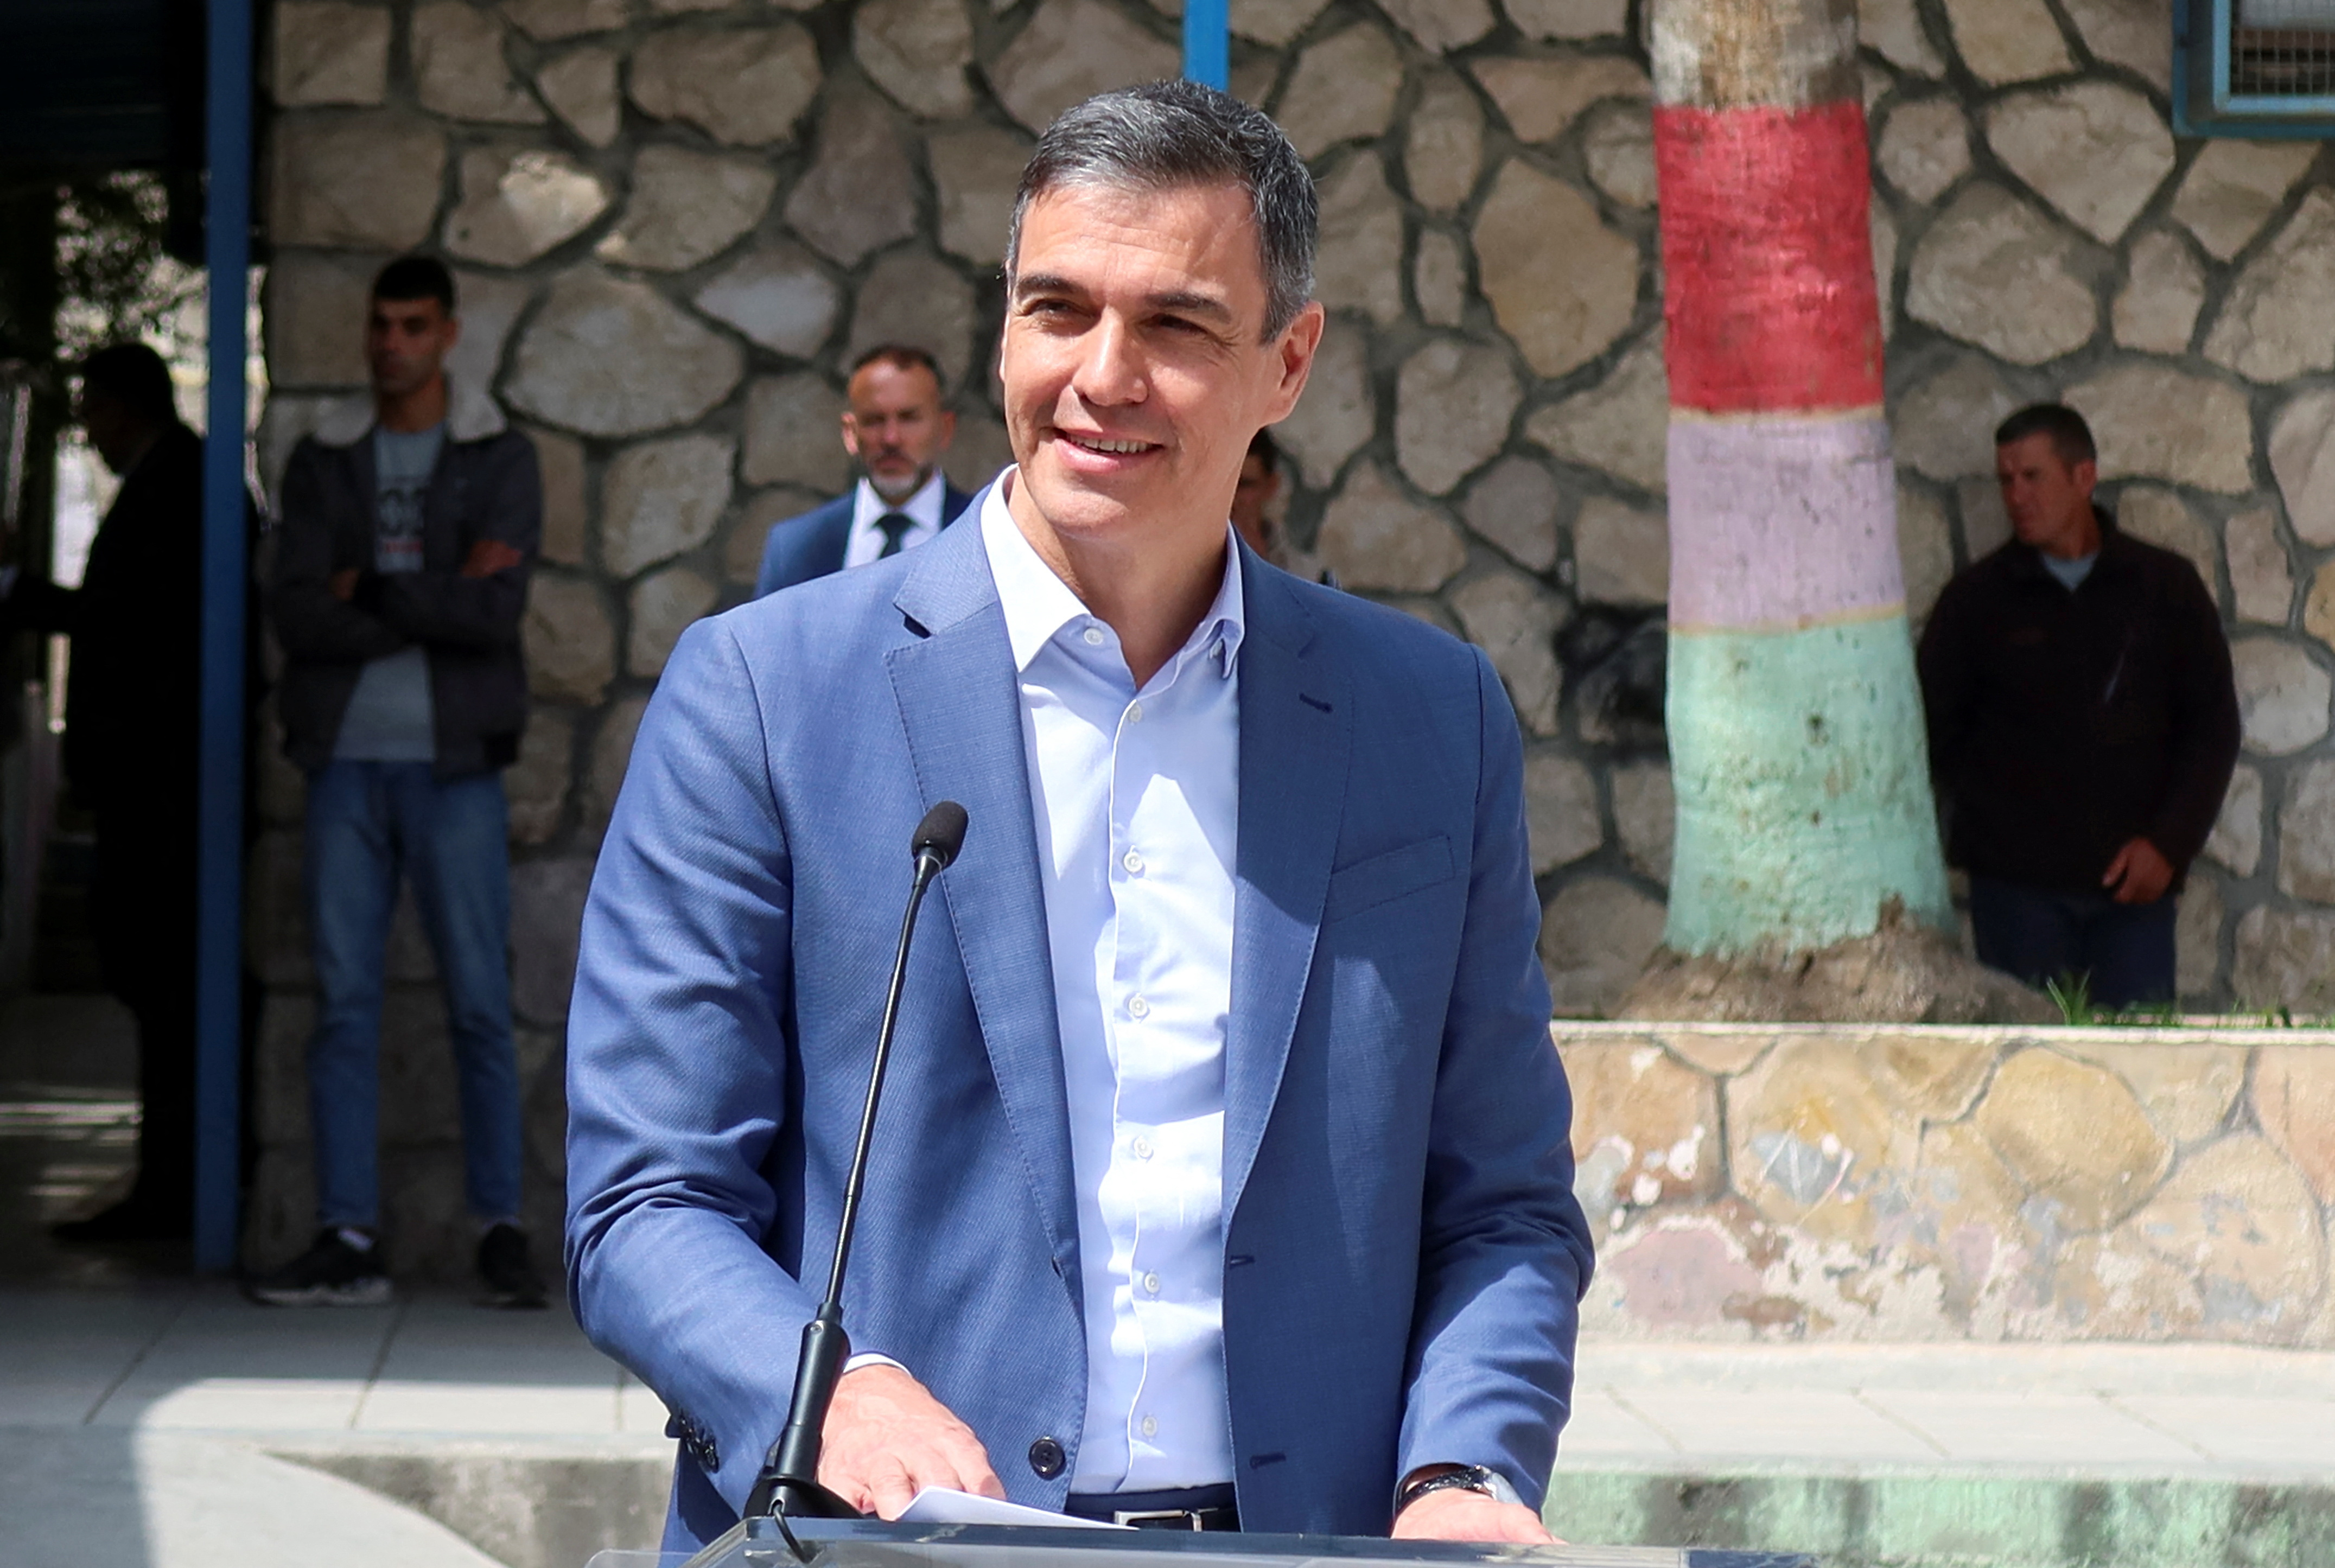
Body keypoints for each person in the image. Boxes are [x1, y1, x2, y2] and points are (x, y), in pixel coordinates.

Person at [567, 81, 1592, 1555]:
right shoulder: (762, 696)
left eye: (1174, 326)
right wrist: (829, 1393)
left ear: (1286, 362)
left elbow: (1500, 1203)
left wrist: (1467, 1468)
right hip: (892, 1545)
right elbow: (646, 1201)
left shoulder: (1430, 720)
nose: (1099, 375)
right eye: (1055, 311)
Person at [253, 256, 546, 1308]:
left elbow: (493, 614)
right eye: (380, 325)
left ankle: (500, 1230)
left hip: (454, 767)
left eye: (413, 326)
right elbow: (295, 613)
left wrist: (370, 585)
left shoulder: (496, 455)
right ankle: (347, 1234)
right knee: (343, 1008)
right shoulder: (325, 458)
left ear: (448, 334)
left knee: (477, 1003)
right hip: (345, 766)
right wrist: (430, 594)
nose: (392, 344)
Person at [1917, 404, 2239, 1009]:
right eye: (2005, 480)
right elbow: (1933, 733)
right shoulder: (1975, 603)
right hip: (2016, 897)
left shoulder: (2162, 588)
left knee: (2140, 1068)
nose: (2016, 495)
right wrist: (1997, 825)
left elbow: (2211, 729)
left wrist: (2169, 845)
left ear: (2083, 477)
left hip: (2134, 896)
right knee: (2029, 1071)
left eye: (2032, 476)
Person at [12, 343, 205, 1241]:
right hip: (150, 788)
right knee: (150, 983)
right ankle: (167, 1183)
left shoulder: (182, 486)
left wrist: (26, 595)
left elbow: (134, 627)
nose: (87, 429)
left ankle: (175, 1190)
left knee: (167, 988)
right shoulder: (172, 481)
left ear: (130, 406)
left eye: (92, 407)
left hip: (165, 793)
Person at [753, 345, 974, 597]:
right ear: (850, 433)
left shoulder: (986, 535)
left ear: (945, 429)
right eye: (874, 420)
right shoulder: (794, 547)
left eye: (909, 418)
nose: (891, 439)